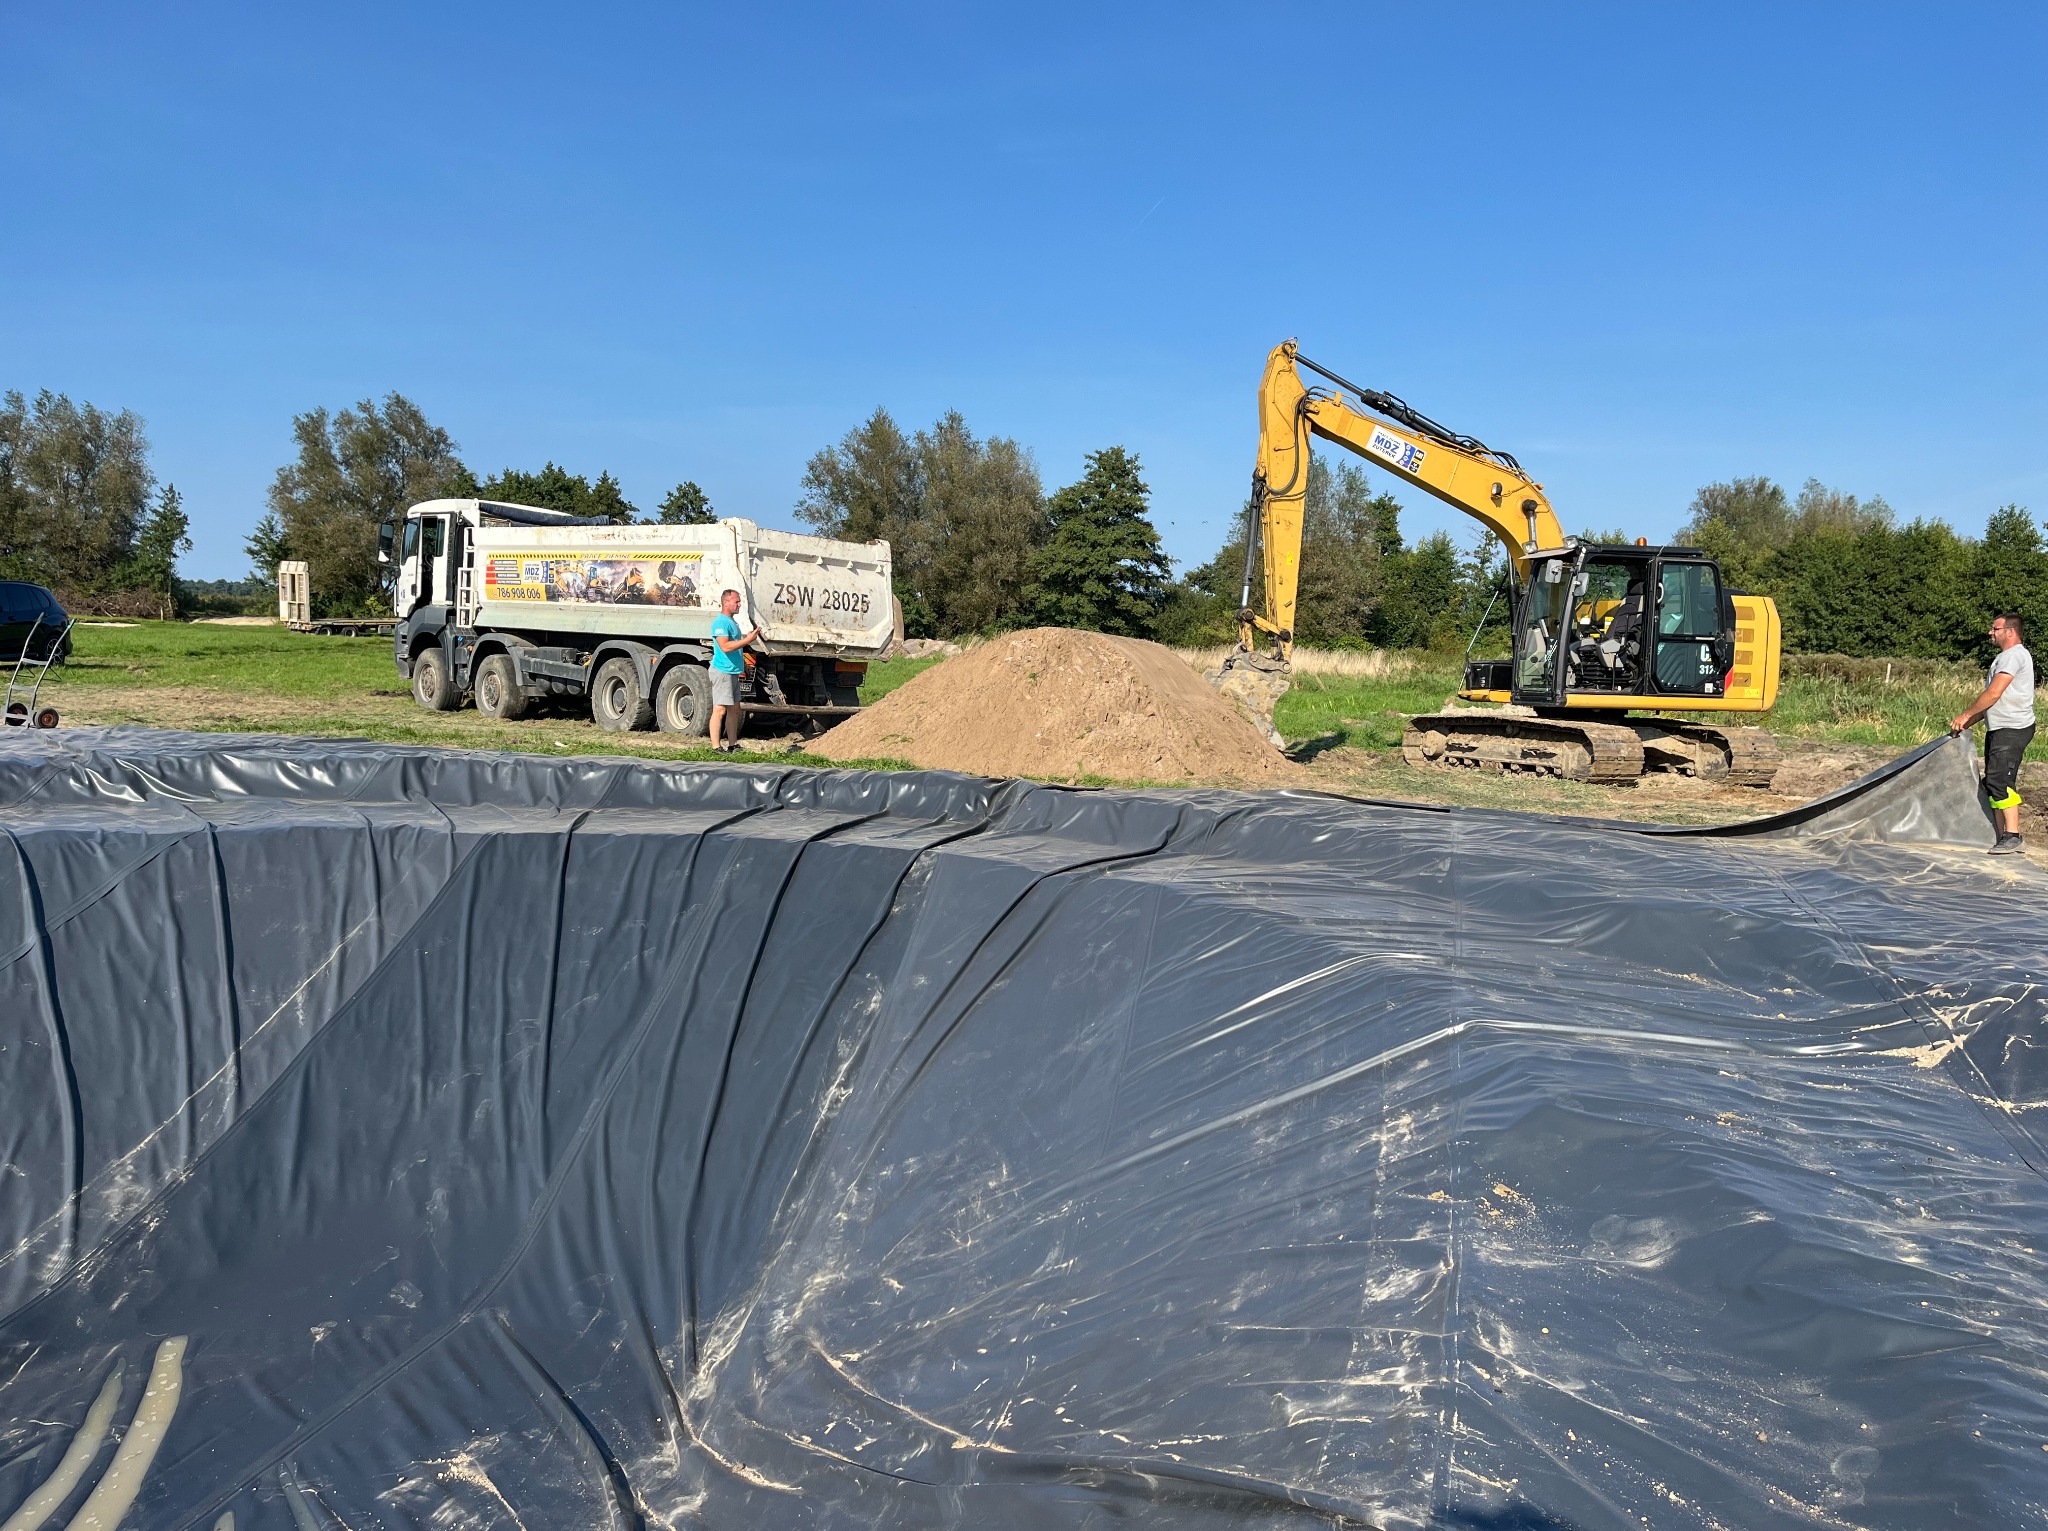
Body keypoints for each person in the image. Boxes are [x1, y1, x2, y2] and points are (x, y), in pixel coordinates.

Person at [1951, 612, 2036, 855]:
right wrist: (1970, 721)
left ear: (2010, 631)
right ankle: (2001, 836)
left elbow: (1994, 693)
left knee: (2001, 780)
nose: (1991, 632)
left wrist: (1966, 715)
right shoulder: (2004, 657)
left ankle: (2013, 836)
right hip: (1999, 728)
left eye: (1995, 628)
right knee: (1993, 781)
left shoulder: (2014, 656)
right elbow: (1990, 702)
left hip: (2012, 728)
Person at [707, 588, 762, 753]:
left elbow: (735, 647)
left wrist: (742, 665)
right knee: (720, 709)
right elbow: (725, 646)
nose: (739, 604)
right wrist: (747, 640)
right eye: (736, 601)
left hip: (732, 671)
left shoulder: (732, 622)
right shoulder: (720, 623)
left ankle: (733, 745)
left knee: (735, 709)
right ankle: (716, 747)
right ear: (726, 602)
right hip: (722, 671)